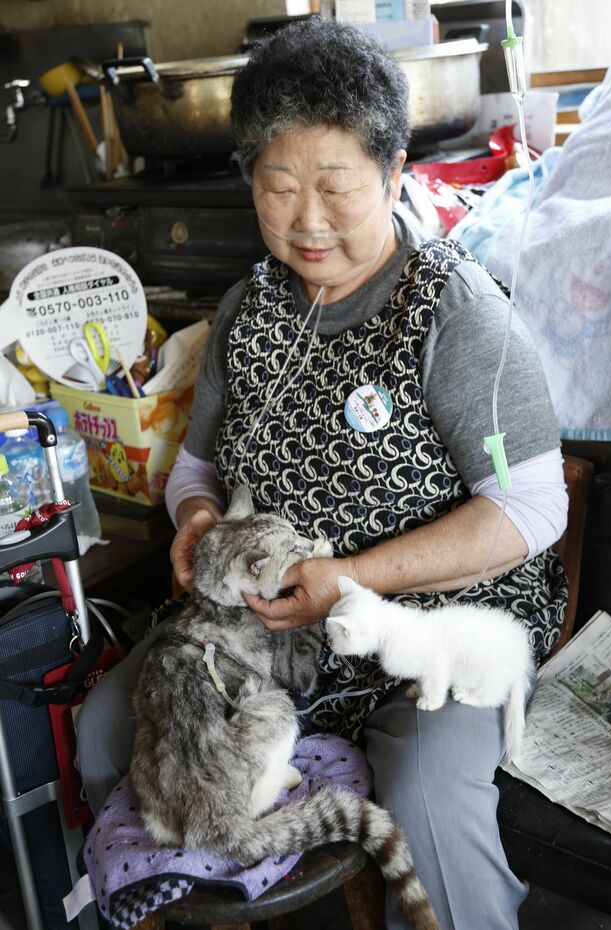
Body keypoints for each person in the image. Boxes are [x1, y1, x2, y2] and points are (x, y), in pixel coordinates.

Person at [77, 18, 569, 930]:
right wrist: (194, 521)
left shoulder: (452, 311)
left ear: (391, 174)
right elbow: (194, 471)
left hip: (427, 630)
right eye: (278, 189)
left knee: (424, 792)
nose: (307, 222)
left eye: (337, 188)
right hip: (267, 621)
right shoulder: (248, 310)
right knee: (110, 733)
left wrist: (352, 582)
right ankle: (224, 891)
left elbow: (532, 508)